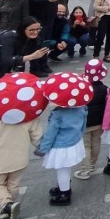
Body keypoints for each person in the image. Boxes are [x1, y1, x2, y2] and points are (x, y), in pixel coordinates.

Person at [0, 80, 43, 219]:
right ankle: (8, 207)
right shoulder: (30, 120)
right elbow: (38, 138)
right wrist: (43, 149)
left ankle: (6, 204)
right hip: (19, 160)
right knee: (13, 184)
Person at [36, 73, 91, 207]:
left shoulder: (57, 114)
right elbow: (83, 126)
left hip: (61, 146)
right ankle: (64, 186)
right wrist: (79, 136)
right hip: (74, 142)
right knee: (66, 168)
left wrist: (43, 149)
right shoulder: (82, 108)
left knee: (62, 169)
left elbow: (50, 134)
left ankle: (64, 194)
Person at [74, 59, 108, 180]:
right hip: (99, 122)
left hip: (84, 123)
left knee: (85, 146)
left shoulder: (82, 88)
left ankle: (85, 170)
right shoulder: (104, 89)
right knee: (96, 143)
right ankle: (92, 166)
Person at [27, 0, 62, 75]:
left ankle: (43, 64)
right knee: (37, 45)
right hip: (39, 22)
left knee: (45, 44)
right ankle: (35, 68)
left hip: (48, 21)